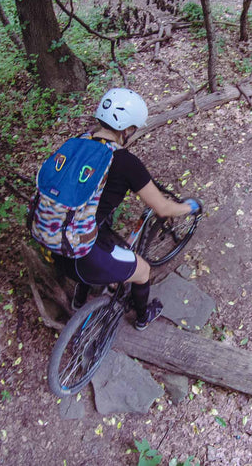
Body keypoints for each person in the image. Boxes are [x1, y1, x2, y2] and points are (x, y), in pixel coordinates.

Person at [52, 88, 202, 330]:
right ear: (128, 129)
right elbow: (162, 208)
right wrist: (187, 207)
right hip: (82, 256)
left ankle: (80, 300)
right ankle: (143, 318)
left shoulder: (77, 143)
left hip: (53, 242)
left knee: (105, 239)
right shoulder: (125, 162)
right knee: (143, 271)